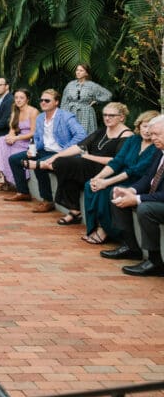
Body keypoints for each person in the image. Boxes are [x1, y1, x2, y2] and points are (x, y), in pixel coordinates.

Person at [42, 102, 132, 225]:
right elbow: (79, 147)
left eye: (111, 115)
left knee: (66, 166)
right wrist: (56, 156)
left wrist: (89, 157)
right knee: (63, 164)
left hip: (108, 170)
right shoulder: (102, 131)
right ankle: (74, 211)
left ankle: (74, 212)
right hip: (90, 165)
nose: (107, 118)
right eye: (105, 115)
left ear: (121, 117)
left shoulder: (127, 136)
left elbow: (116, 161)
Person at [101, 114, 164, 276]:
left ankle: (155, 261)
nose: (153, 137)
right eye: (152, 133)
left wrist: (136, 199)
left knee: (145, 208)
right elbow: (147, 179)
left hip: (158, 201)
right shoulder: (160, 151)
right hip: (156, 197)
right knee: (116, 194)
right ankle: (131, 247)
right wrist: (130, 191)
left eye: (158, 134)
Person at [83, 111, 159, 245]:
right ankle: (93, 227)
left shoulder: (156, 147)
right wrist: (98, 178)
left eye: (150, 128)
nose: (147, 131)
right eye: (145, 126)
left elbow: (135, 170)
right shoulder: (133, 140)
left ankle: (107, 230)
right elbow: (117, 161)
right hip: (122, 176)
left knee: (107, 191)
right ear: (139, 125)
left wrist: (106, 183)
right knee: (90, 185)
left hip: (138, 182)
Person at [6, 88, 87, 209]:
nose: (43, 102)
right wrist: (31, 149)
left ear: (56, 102)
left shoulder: (66, 117)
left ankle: (47, 200)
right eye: (41, 100)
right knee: (14, 159)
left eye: (47, 100)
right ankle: (23, 192)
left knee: (38, 164)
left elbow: (81, 134)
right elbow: (38, 139)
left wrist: (65, 150)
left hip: (61, 153)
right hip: (44, 150)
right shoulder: (40, 118)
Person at [0, 89, 38, 192]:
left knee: (5, 147)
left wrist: (16, 138)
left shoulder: (33, 112)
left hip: (29, 143)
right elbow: (12, 129)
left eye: (21, 98)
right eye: (16, 98)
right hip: (18, 140)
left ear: (27, 99)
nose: (18, 100)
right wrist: (10, 137)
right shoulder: (15, 109)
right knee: (2, 139)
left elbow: (34, 133)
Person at [60, 63, 112, 135]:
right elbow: (64, 102)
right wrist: (63, 116)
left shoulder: (92, 86)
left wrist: (96, 101)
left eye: (81, 70)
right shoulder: (70, 85)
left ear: (86, 73)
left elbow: (108, 95)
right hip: (71, 113)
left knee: (85, 137)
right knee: (70, 135)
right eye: (77, 70)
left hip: (86, 114)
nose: (78, 72)